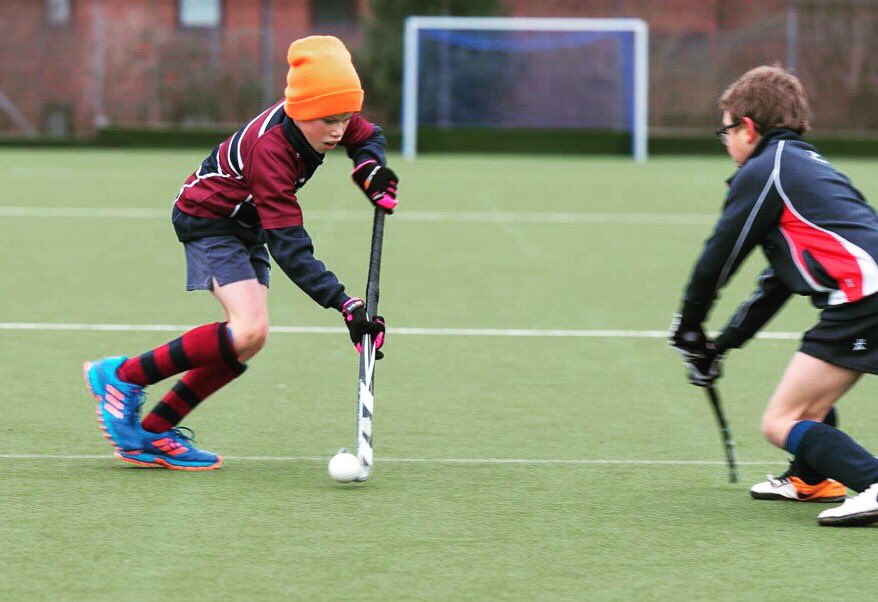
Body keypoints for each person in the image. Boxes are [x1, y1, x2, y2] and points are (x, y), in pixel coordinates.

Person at [83, 35, 397, 471]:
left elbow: (369, 135)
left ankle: (153, 432)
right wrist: (345, 303)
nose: (339, 130)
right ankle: (121, 377)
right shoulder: (270, 151)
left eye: (344, 118)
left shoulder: (330, 120)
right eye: (328, 120)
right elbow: (289, 245)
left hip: (246, 225)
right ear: (300, 110)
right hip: (209, 220)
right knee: (248, 329)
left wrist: (370, 167)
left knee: (249, 339)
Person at [669, 65, 878, 526]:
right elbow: (777, 281)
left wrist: (687, 326)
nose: (725, 142)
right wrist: (720, 344)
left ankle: (872, 479)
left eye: (725, 130)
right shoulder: (801, 166)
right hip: (864, 300)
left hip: (865, 301)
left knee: (780, 420)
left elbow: (718, 259)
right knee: (808, 405)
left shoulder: (766, 170)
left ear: (747, 127)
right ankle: (812, 479)